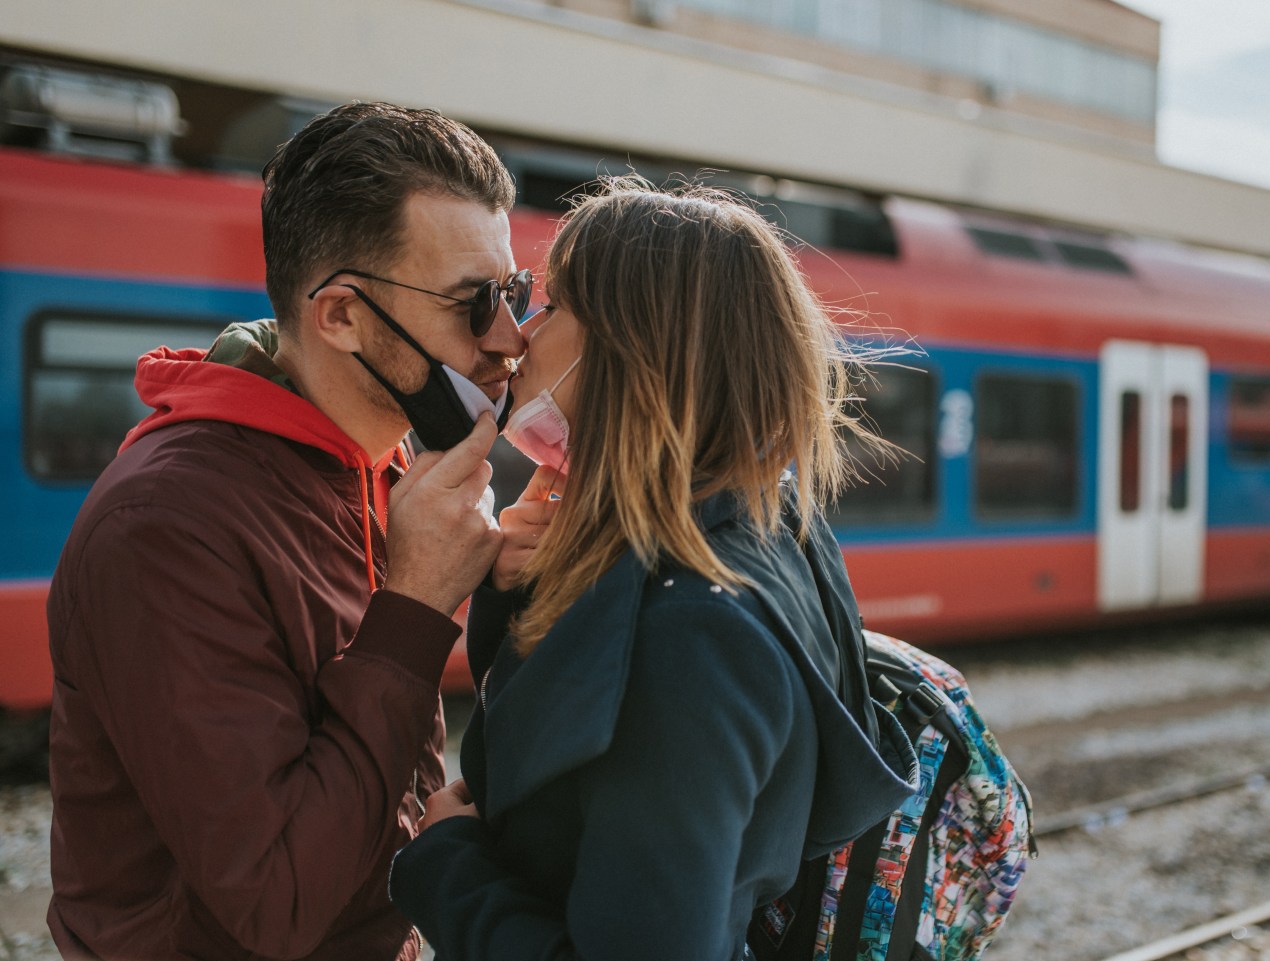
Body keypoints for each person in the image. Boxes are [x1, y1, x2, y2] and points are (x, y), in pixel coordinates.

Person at [46, 102, 528, 961]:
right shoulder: (166, 526)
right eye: (476, 301)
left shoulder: (375, 465)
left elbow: (362, 773)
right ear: (339, 314)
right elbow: (278, 901)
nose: (510, 339)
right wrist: (416, 603)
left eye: (515, 293)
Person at [389, 180, 919, 960]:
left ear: (637, 350)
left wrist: (445, 865)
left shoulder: (691, 641)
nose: (520, 335)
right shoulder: (770, 527)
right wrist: (518, 586)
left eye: (556, 304)